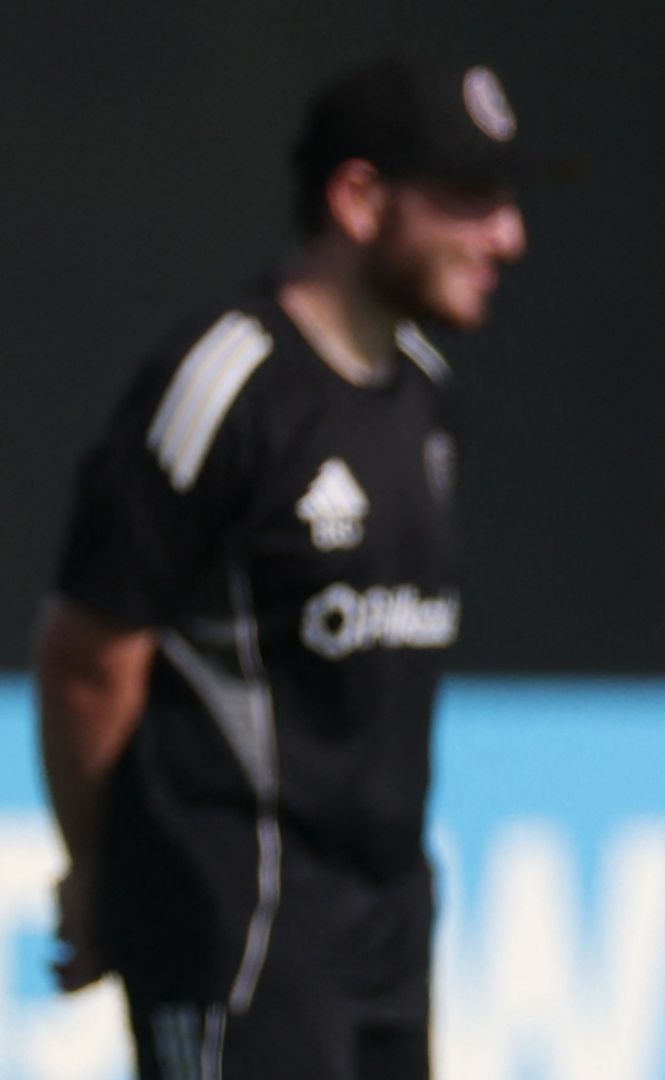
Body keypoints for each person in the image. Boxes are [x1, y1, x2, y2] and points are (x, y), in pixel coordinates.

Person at [36, 56, 538, 1080]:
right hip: (243, 921)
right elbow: (88, 657)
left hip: (392, 924)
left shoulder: (427, 399)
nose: (507, 237)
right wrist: (99, 872)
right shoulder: (223, 385)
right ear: (358, 199)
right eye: (469, 202)